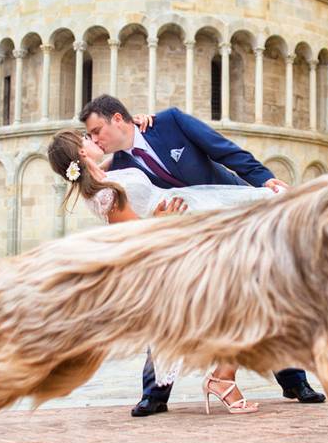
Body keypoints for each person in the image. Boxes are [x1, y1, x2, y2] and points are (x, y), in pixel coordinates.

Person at [80, 94, 327, 416]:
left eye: (98, 130)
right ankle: (155, 394)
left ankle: (293, 380)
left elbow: (224, 151)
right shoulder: (119, 168)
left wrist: (264, 181)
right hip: (188, 239)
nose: (95, 138)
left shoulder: (169, 122)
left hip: (231, 213)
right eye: (90, 135)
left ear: (117, 118)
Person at [48, 128, 263, 415]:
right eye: (87, 138)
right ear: (81, 152)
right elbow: (135, 235)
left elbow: (127, 148)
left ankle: (223, 377)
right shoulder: (103, 193)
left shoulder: (102, 177)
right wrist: (162, 220)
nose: (94, 139)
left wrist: (134, 126)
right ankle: (222, 377)